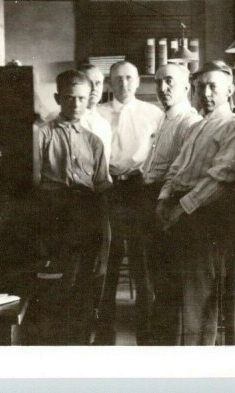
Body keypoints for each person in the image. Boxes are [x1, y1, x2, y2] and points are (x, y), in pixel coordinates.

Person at [156, 61, 235, 345]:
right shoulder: (197, 127)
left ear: (229, 91)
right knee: (171, 295)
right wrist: (163, 199)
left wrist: (180, 208)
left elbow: (221, 177)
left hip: (203, 217)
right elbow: (177, 167)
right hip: (176, 209)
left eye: (213, 87)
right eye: (201, 87)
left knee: (198, 298)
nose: (206, 93)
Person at [34, 69, 112, 345]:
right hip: (54, 213)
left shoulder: (94, 141)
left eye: (81, 98)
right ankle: (56, 343)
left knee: (87, 281)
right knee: (57, 282)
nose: (76, 105)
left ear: (88, 97)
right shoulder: (41, 136)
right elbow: (34, 184)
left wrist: (103, 232)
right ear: (58, 98)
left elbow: (103, 187)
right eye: (69, 98)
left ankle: (81, 341)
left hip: (88, 213)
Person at [96, 60, 163, 345]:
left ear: (137, 82)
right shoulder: (97, 113)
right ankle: (104, 333)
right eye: (118, 79)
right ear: (109, 84)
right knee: (107, 259)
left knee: (142, 260)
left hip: (139, 190)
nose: (124, 84)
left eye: (129, 78)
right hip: (107, 188)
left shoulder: (153, 114)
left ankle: (146, 333)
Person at [141, 63, 202, 345]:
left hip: (170, 203)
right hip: (155, 199)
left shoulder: (188, 121)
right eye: (158, 82)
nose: (162, 88)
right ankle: (162, 344)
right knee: (160, 282)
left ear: (187, 87)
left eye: (169, 82)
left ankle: (169, 350)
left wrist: (165, 204)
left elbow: (182, 171)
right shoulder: (166, 118)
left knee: (170, 285)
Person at [44, 64, 112, 167]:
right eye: (89, 83)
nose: (94, 88)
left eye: (98, 83)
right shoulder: (55, 119)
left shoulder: (104, 124)